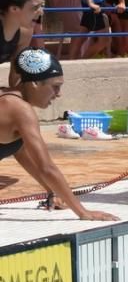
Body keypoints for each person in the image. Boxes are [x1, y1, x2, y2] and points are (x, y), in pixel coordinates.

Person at [0, 49, 117, 221]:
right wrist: (83, 212)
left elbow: (21, 153)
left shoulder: (8, 99)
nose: (59, 94)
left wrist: (51, 191)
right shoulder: (21, 110)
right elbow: (46, 167)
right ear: (35, 83)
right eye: (55, 86)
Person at [0, 0, 42, 84]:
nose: (41, 12)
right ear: (14, 9)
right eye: (35, 8)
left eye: (42, 5)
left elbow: (15, 77)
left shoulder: (25, 33)